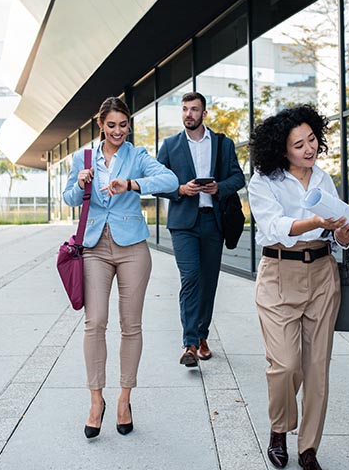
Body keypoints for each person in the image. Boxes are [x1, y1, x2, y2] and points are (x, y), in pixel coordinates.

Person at [247, 105, 349, 470]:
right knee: (284, 364)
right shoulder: (262, 181)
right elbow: (272, 227)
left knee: (317, 367)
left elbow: (335, 234)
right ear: (282, 151)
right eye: (298, 145)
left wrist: (344, 235)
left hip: (322, 273)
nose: (309, 149)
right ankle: (280, 428)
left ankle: (309, 447)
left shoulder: (323, 179)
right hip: (279, 273)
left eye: (312, 139)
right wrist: (314, 220)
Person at [62, 96, 178, 439]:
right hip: (95, 247)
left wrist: (131, 183)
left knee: (131, 325)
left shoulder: (137, 155)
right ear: (101, 125)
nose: (118, 131)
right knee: (95, 322)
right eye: (111, 125)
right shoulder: (82, 158)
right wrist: (80, 184)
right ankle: (96, 400)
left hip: (132, 247)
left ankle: (124, 398)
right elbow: (67, 197)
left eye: (123, 125)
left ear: (129, 125)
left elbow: (169, 181)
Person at [156, 92, 246, 366]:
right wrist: (180, 189)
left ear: (204, 114)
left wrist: (219, 187)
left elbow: (238, 177)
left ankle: (202, 335)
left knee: (208, 282)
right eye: (185, 109)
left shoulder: (222, 144)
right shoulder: (170, 145)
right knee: (191, 278)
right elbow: (156, 181)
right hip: (183, 224)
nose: (188, 114)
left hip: (213, 222)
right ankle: (190, 343)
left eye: (194, 109)